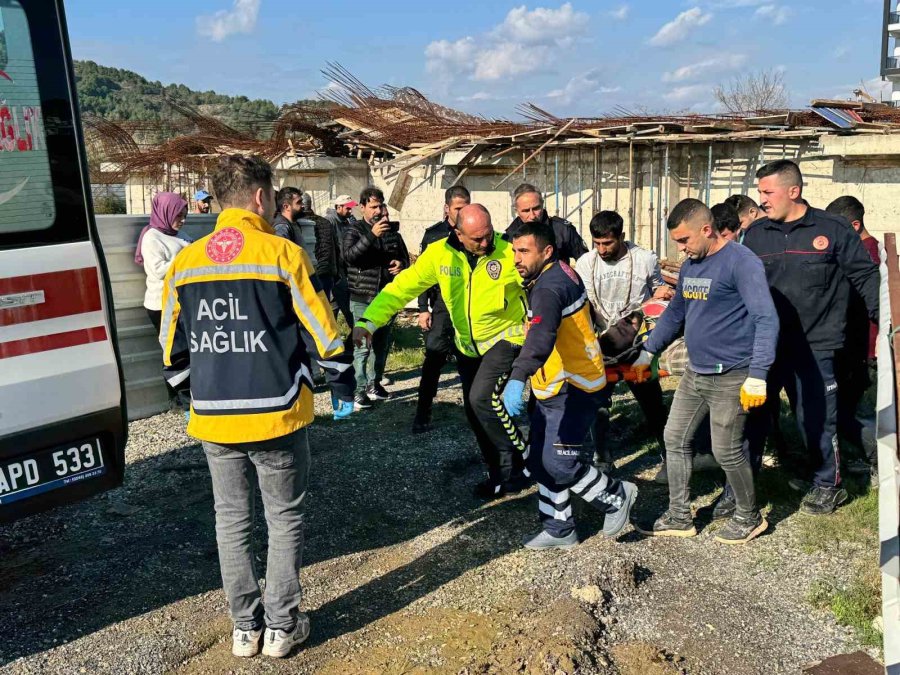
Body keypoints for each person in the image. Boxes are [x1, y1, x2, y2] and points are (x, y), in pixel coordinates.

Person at [159, 154, 353, 659]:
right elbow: (326, 333)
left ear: (220, 199)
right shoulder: (281, 253)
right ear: (261, 198)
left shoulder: (185, 260)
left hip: (214, 418)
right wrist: (332, 366)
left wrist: (192, 393)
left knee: (231, 520)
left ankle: (245, 629)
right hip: (276, 412)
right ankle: (282, 628)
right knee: (283, 517)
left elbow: (169, 347)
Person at [353, 204, 530, 499]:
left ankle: (520, 459)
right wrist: (368, 322)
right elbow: (402, 289)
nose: (486, 243)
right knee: (475, 412)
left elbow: (540, 281)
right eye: (478, 239)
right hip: (467, 346)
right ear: (458, 233)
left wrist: (535, 320)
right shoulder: (438, 254)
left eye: (488, 235)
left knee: (481, 399)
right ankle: (500, 471)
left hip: (505, 338)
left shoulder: (508, 250)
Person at [636, 198, 778, 544]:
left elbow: (765, 318)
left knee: (727, 449)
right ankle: (680, 515)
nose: (681, 249)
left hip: (733, 374)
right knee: (675, 438)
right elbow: (675, 314)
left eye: (684, 241)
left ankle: (749, 517)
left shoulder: (741, 263)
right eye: (677, 244)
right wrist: (648, 350)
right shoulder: (691, 266)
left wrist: (758, 374)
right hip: (696, 373)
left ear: (706, 228)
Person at [743, 160, 879, 515]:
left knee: (815, 418)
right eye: (760, 192)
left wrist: (886, 322)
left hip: (816, 344)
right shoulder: (756, 235)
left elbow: (866, 278)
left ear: (794, 191)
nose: (762, 200)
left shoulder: (831, 229)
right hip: (767, 347)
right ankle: (743, 487)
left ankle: (826, 483)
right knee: (753, 415)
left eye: (767, 192)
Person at [502, 220, 638, 549]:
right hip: (553, 385)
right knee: (539, 460)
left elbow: (541, 337)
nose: (516, 258)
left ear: (547, 251)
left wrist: (517, 376)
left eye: (524, 251)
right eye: (514, 251)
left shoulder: (548, 288)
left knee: (560, 462)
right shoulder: (559, 270)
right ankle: (559, 528)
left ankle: (617, 495)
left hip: (572, 387)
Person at [574, 210, 672, 473]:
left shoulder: (644, 259)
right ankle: (603, 461)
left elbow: (659, 292)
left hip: (638, 347)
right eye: (597, 243)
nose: (602, 249)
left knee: (652, 404)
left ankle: (669, 456)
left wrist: (661, 295)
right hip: (601, 347)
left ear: (622, 237)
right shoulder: (585, 264)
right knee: (598, 405)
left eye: (608, 243)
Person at [825, 196, 880, 474]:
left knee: (856, 414)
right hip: (855, 348)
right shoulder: (867, 251)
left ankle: (878, 461)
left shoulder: (869, 255)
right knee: (846, 411)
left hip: (866, 351)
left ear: (855, 225)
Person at [342, 187, 409, 409]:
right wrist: (372, 236)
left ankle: (375, 383)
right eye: (373, 207)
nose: (378, 211)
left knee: (381, 344)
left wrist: (401, 265)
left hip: (386, 297)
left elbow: (403, 258)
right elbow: (350, 257)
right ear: (362, 208)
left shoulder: (390, 232)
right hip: (362, 296)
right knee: (362, 346)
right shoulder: (354, 230)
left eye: (380, 206)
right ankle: (358, 390)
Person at [412, 185, 470, 433]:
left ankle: (474, 414)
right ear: (448, 209)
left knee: (469, 360)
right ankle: (422, 414)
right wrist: (423, 308)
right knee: (433, 359)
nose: (463, 212)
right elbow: (423, 276)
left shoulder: (474, 233)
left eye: (466, 206)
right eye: (459, 208)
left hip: (468, 305)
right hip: (442, 307)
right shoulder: (434, 235)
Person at [136, 191, 190, 407]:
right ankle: (178, 399)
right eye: (179, 216)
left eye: (185, 215)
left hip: (181, 302)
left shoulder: (181, 235)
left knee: (185, 348)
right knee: (172, 351)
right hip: (161, 304)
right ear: (166, 213)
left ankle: (188, 395)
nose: (183, 220)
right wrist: (184, 261)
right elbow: (158, 270)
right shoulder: (152, 237)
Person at [505, 182, 588, 264]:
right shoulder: (509, 236)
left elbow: (586, 262)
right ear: (516, 211)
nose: (532, 216)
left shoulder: (563, 230)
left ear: (542, 204)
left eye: (536, 208)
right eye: (526, 211)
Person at [323, 194, 357, 327]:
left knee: (339, 305)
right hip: (335, 271)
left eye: (350, 208)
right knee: (337, 305)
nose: (350, 211)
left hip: (344, 269)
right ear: (338, 207)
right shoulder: (329, 221)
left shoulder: (347, 221)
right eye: (347, 208)